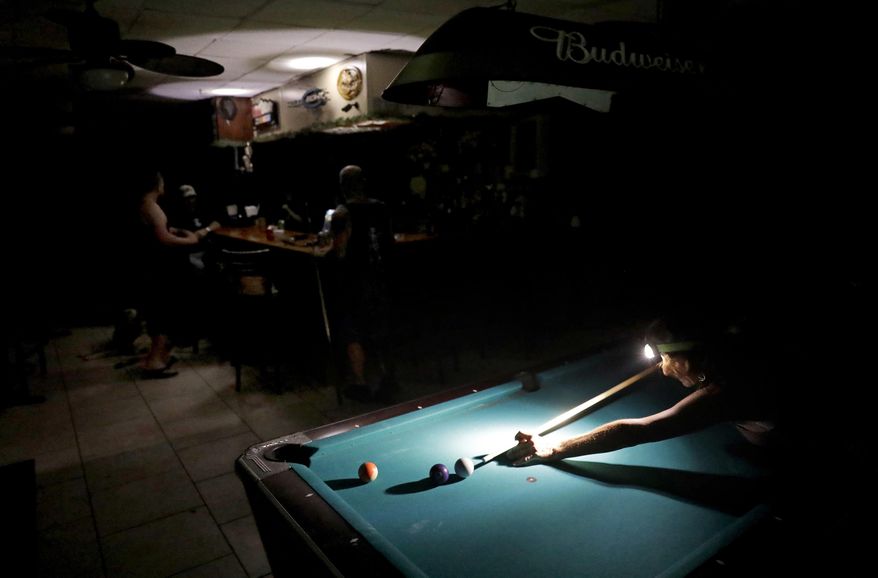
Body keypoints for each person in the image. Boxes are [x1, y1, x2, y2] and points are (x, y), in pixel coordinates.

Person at [315, 165, 396, 401]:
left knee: (353, 332)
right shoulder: (380, 208)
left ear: (342, 187)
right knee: (381, 328)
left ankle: (360, 383)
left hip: (353, 281)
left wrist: (322, 251)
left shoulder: (341, 213)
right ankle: (386, 379)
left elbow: (337, 249)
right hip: (380, 277)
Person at [132, 170, 217, 377]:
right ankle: (154, 363)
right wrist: (189, 240)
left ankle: (156, 357)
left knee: (158, 312)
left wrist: (175, 230)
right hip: (158, 267)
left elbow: (159, 233)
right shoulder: (152, 207)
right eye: (161, 181)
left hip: (149, 266)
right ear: (155, 184)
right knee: (162, 312)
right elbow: (163, 239)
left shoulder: (143, 205)